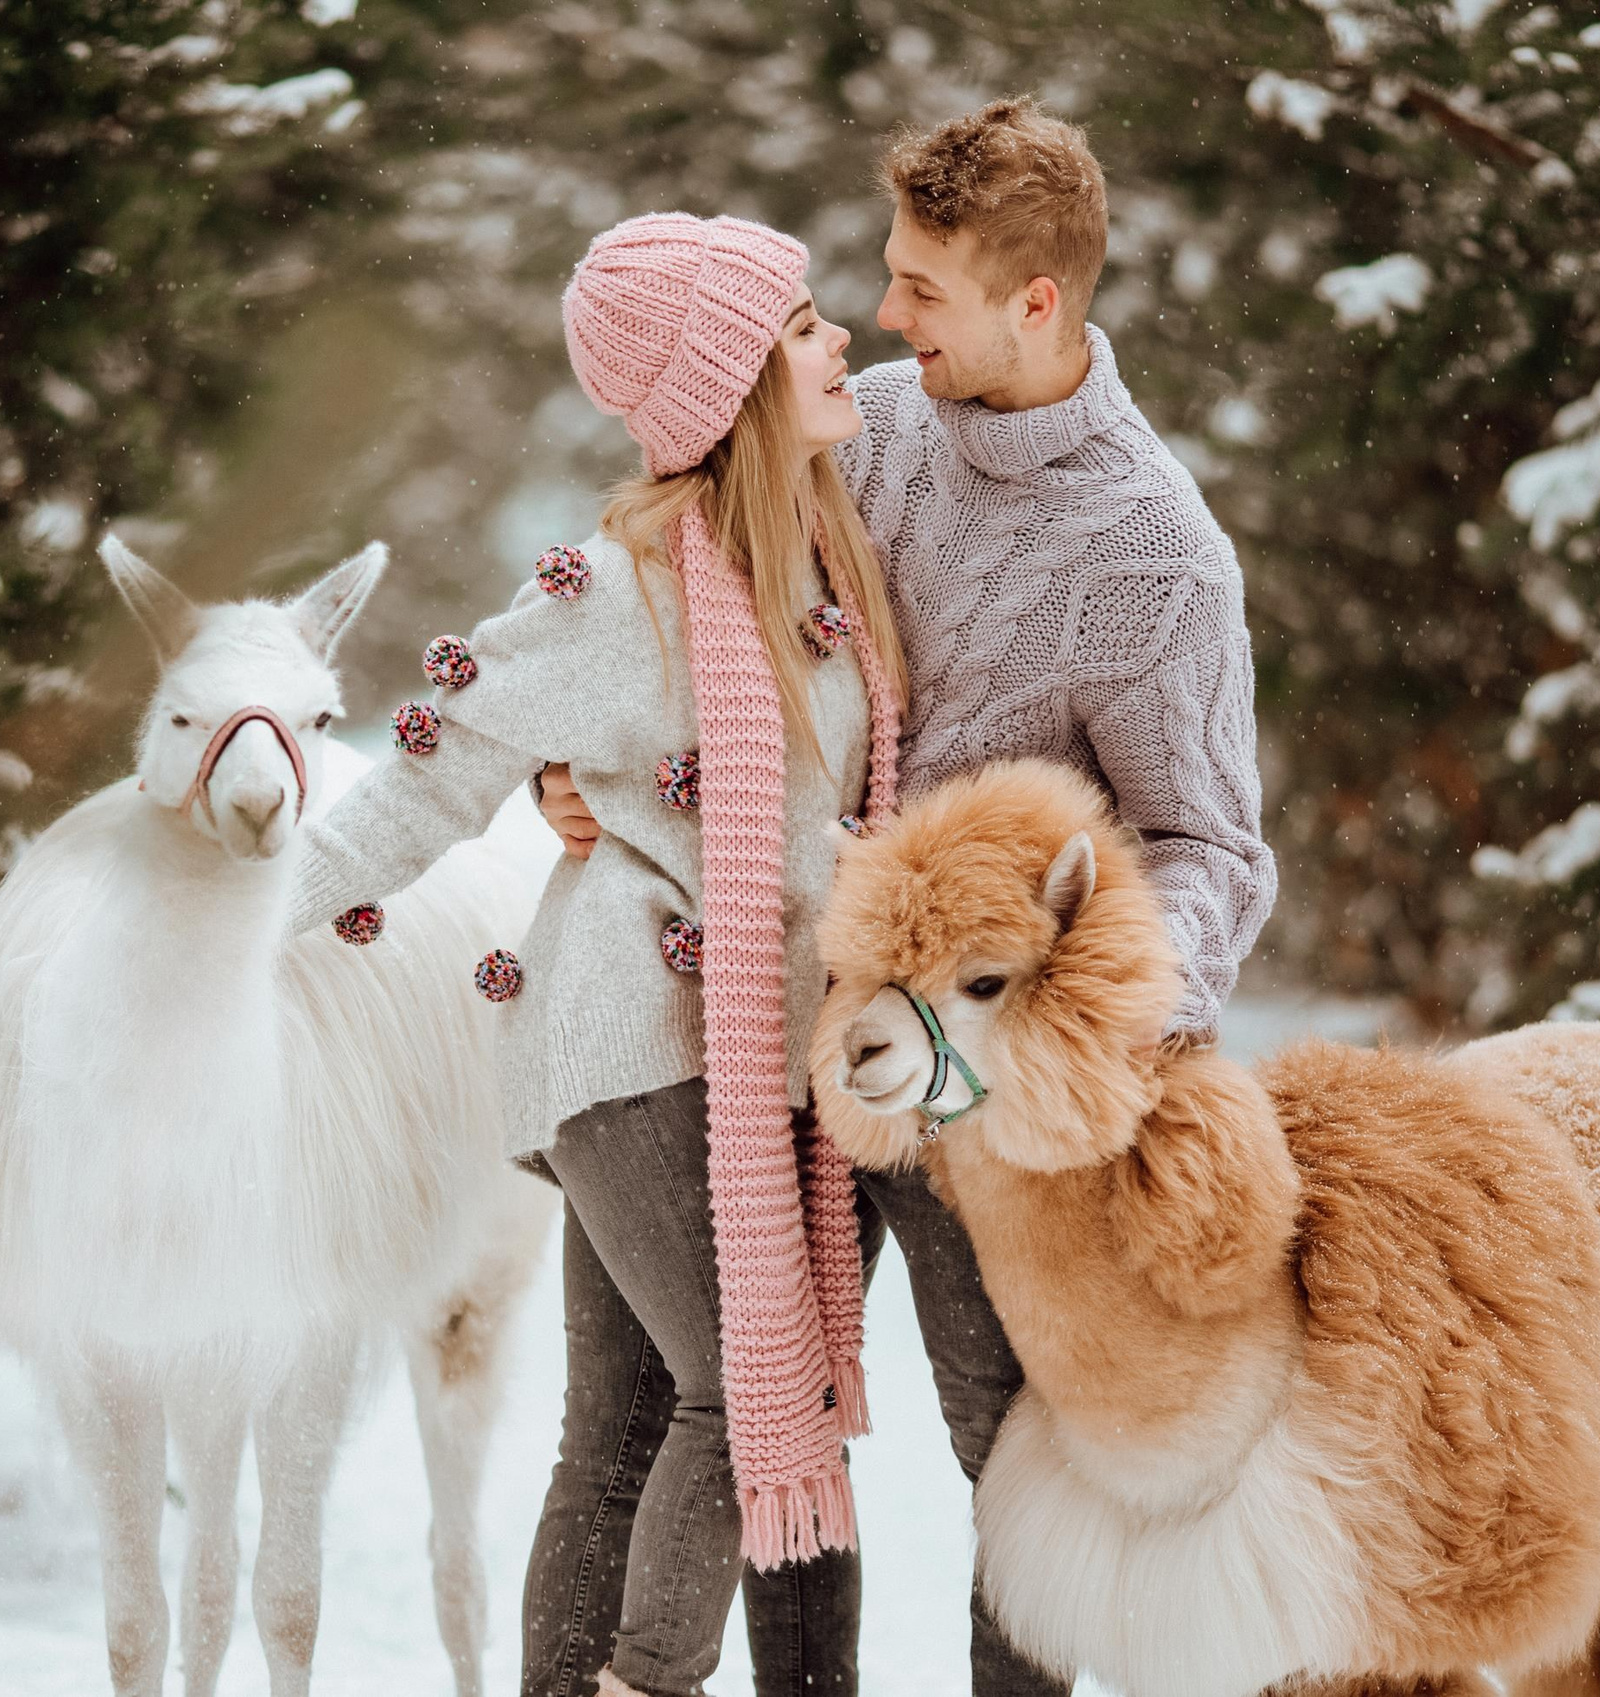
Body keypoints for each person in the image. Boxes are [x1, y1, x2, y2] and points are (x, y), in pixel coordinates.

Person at [536, 99, 1278, 1696]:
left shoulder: (1159, 558)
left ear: (1040, 303)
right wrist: (585, 765)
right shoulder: (864, 425)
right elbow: (685, 593)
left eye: (922, 290)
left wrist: (1093, 1037)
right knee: (685, 1415)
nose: (886, 318)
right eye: (885, 278)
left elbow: (1212, 849)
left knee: (1011, 1456)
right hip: (733, 1019)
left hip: (965, 1090)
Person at [284, 212, 909, 1697]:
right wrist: (248, 915)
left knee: (622, 1419)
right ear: (736, 384)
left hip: (751, 1047)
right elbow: (435, 769)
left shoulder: (820, 546)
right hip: (633, 1045)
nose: (841, 342)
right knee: (752, 1396)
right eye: (805, 325)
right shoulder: (626, 589)